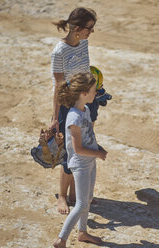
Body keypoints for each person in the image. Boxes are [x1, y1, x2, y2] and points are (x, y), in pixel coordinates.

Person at [50, 7, 98, 215]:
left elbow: (85, 70)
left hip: (86, 102)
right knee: (70, 152)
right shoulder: (59, 52)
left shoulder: (84, 42)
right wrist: (55, 118)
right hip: (69, 105)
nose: (91, 33)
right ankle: (62, 196)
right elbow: (59, 86)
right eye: (90, 29)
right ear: (77, 28)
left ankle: (73, 194)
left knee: (83, 146)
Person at [53, 72, 107, 247]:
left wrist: (97, 148)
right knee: (81, 203)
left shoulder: (86, 110)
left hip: (90, 161)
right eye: (93, 90)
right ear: (84, 93)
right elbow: (77, 149)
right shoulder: (73, 117)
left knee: (88, 199)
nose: (95, 94)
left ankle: (82, 232)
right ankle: (61, 239)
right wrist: (97, 154)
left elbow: (89, 136)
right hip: (81, 164)